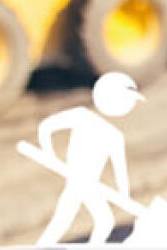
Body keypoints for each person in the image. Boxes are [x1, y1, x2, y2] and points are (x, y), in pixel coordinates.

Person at [36, 72, 145, 245]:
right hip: (78, 181)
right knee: (72, 221)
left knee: (97, 221)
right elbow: (46, 127)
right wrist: (48, 152)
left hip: (88, 184)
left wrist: (124, 195)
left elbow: (120, 171)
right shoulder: (82, 117)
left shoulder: (114, 135)